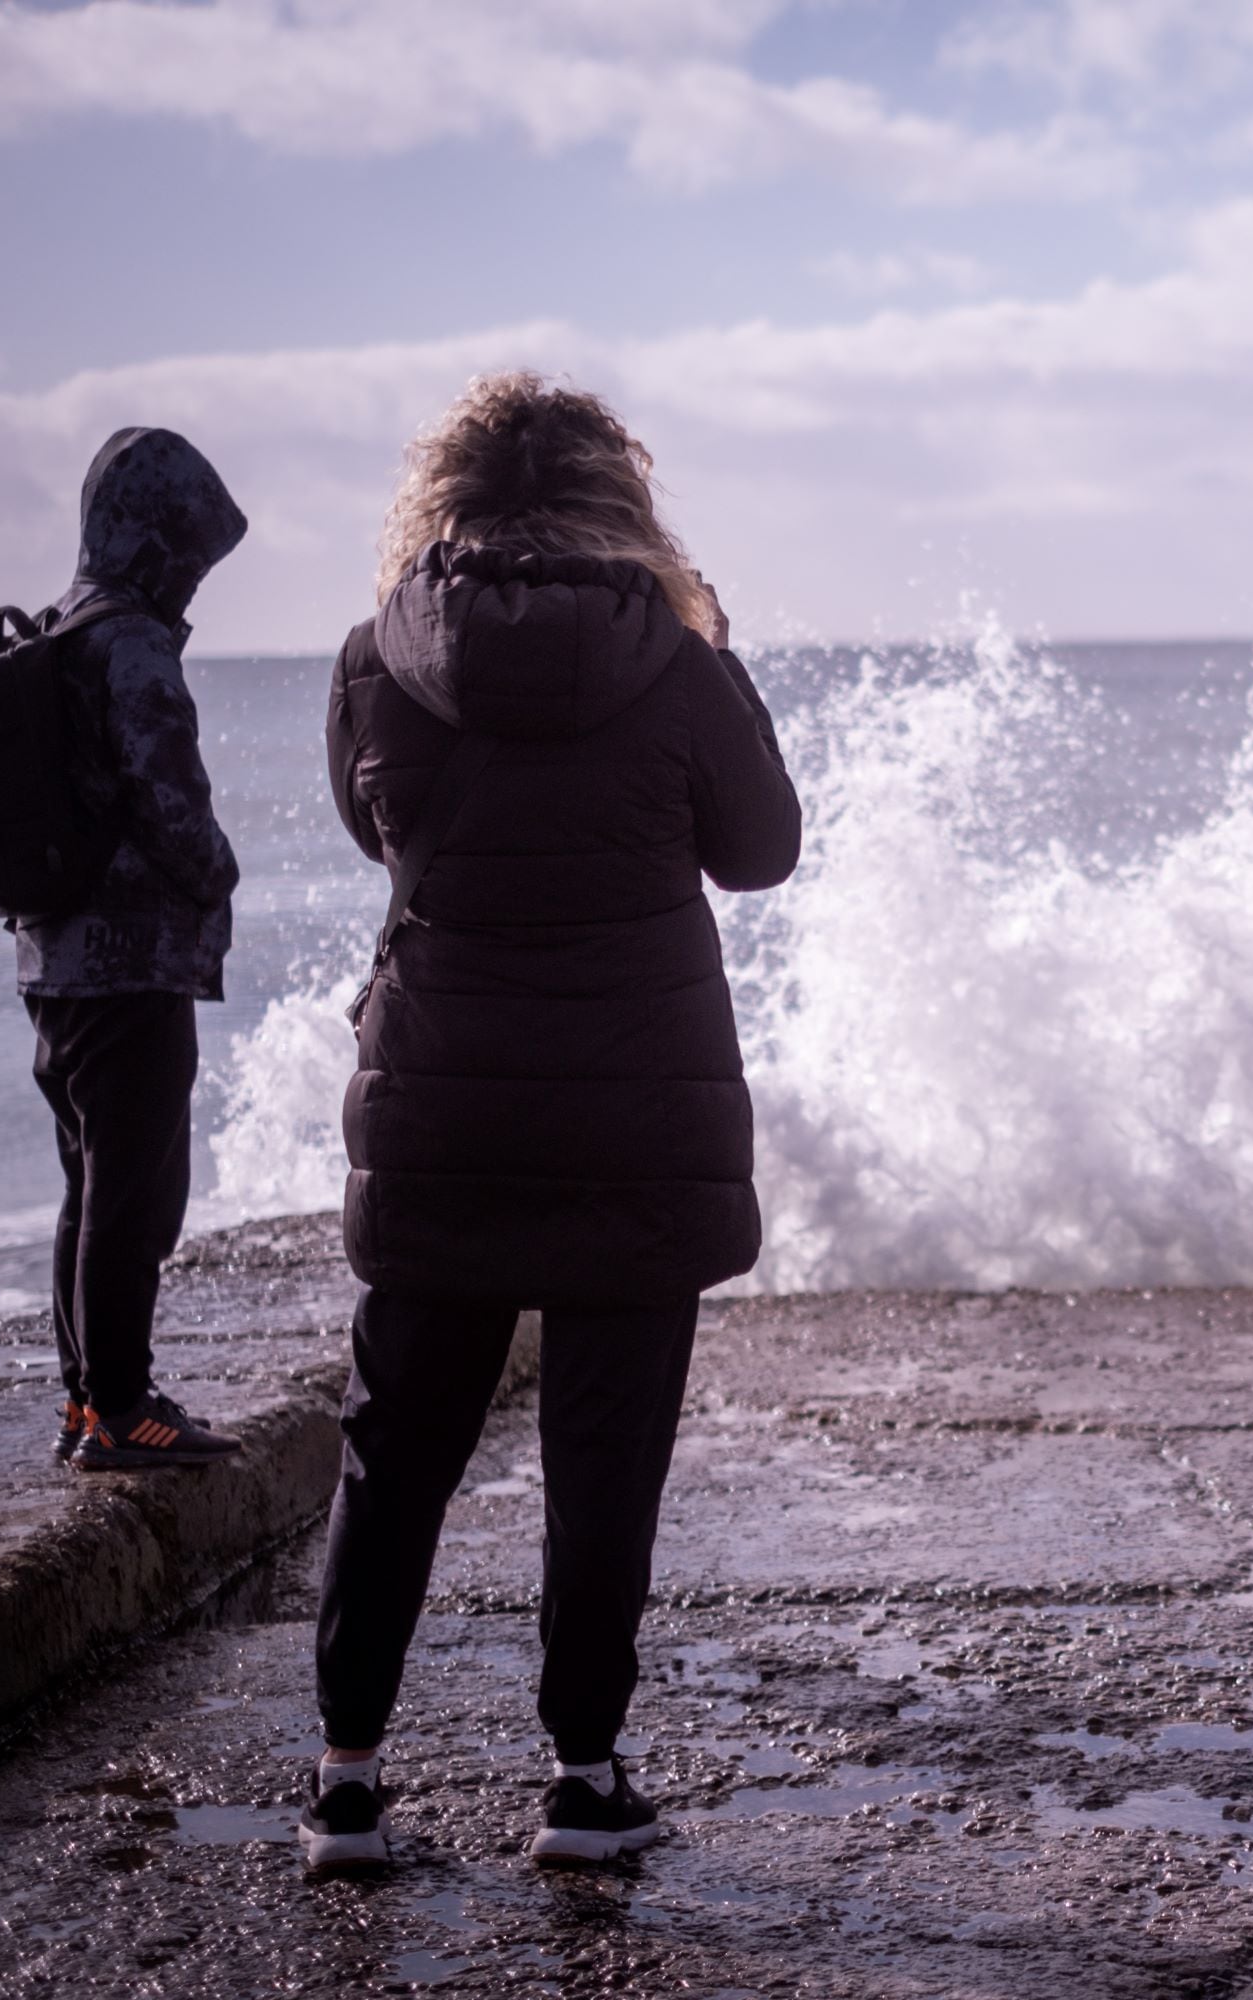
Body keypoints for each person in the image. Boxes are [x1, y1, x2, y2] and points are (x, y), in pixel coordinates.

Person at [296, 374, 801, 1877]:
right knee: (604, 1462)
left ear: (443, 499)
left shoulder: (375, 660)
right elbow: (762, 850)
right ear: (618, 500)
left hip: (442, 1104)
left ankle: (345, 1785)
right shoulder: (673, 662)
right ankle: (583, 1781)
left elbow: (372, 827)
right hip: (635, 1120)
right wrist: (714, 642)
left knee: (395, 1455)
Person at [19, 429, 250, 1473]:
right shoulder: (136, 645)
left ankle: (84, 1401)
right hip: (130, 966)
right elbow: (173, 806)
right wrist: (221, 872)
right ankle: (124, 1407)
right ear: (156, 541)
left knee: (88, 1189)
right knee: (138, 1198)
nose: (192, 578)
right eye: (189, 555)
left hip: (56, 965)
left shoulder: (62, 627)